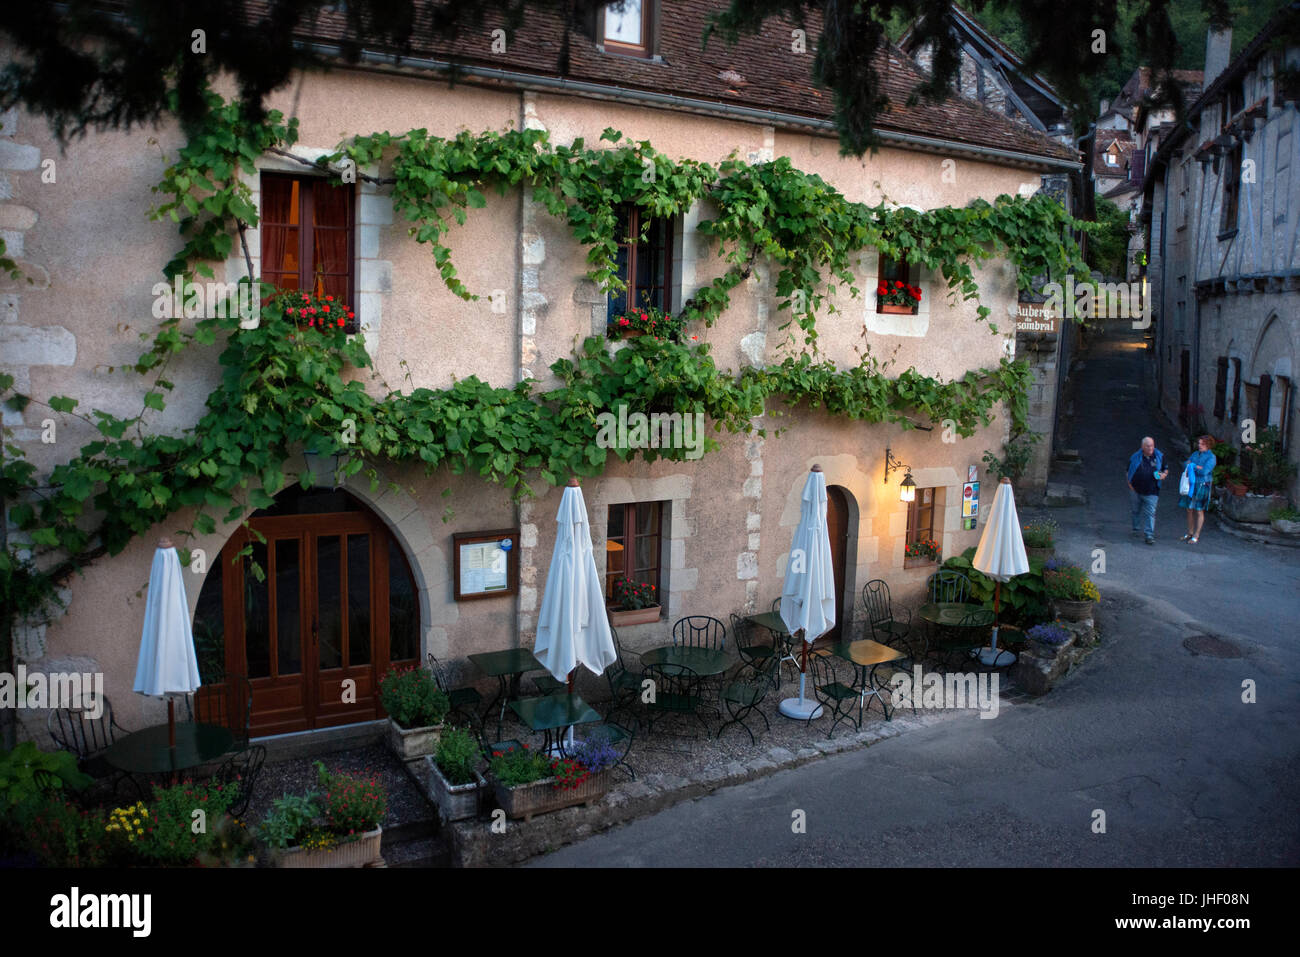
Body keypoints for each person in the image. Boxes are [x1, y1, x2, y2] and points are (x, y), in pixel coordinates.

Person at [1126, 436, 1167, 545]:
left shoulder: (1159, 456)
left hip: (1152, 491)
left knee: (1150, 513)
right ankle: (1136, 528)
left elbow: (1165, 469)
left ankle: (1149, 535)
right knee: (1135, 511)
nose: (1150, 448)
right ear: (1142, 447)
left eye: (1152, 445)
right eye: (1148, 446)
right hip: (1136, 490)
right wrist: (1130, 485)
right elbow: (1128, 471)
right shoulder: (1135, 457)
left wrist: (1164, 475)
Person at [1180, 435, 1218, 544]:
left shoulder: (1211, 457)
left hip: (1202, 484)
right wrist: (1195, 466)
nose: (1199, 445)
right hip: (1192, 484)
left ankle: (1196, 535)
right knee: (1189, 508)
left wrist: (1193, 466)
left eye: (1202, 444)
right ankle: (1190, 532)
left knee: (1199, 510)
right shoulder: (1195, 454)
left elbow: (1205, 471)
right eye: (1199, 443)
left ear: (1208, 445)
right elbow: (1185, 465)